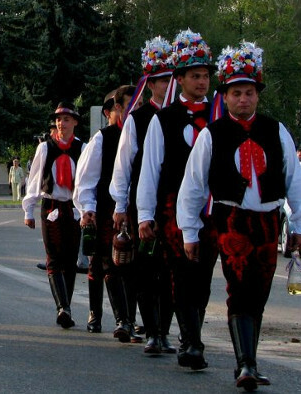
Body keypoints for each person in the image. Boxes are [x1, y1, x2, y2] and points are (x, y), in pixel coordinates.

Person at [177, 42, 301, 390]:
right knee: (239, 287)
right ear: (225, 96)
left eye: (249, 93)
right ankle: (246, 365)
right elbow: (192, 187)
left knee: (259, 289)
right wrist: (189, 231)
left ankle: (249, 360)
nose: (243, 99)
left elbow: (295, 180)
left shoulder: (276, 130)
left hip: (268, 220)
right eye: (236, 93)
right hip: (232, 219)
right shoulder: (213, 134)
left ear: (257, 95)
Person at [137, 29, 219, 371]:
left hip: (213, 207)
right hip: (172, 206)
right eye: (195, 76)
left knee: (204, 272)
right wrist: (144, 213)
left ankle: (193, 331)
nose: (202, 82)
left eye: (205, 76)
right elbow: (150, 169)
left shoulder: (220, 116)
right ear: (180, 79)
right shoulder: (163, 119)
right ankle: (190, 341)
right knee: (181, 271)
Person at [110, 36, 177, 353]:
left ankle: (165, 329)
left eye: (171, 78)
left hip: (178, 204)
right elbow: (123, 164)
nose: (168, 85)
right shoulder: (138, 118)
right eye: (162, 80)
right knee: (147, 269)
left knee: (172, 270)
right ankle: (152, 331)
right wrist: (121, 204)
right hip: (145, 203)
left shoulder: (183, 116)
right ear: (151, 83)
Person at [74, 86, 143, 343]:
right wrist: (87, 209)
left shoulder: (143, 132)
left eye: (137, 105)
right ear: (112, 111)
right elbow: (86, 179)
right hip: (106, 210)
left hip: (134, 210)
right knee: (106, 263)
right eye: (128, 106)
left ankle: (129, 318)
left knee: (131, 266)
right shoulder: (102, 138)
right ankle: (110, 317)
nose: (134, 110)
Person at [23, 102, 85, 328]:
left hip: (74, 209)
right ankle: (62, 307)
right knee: (54, 259)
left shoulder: (83, 148)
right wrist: (28, 208)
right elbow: (35, 179)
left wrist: (88, 210)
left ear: (75, 122)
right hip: (51, 206)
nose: (61, 123)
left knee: (70, 261)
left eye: (66, 119)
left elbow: (87, 182)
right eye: (59, 120)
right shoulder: (46, 148)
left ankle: (65, 306)